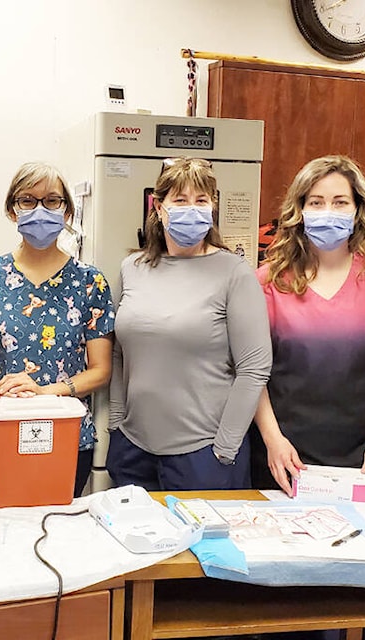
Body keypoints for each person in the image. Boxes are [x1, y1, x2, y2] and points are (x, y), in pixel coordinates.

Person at [252, 155, 365, 507]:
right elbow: (252, 374)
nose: (328, 212)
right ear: (300, 210)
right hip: (284, 451)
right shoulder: (266, 282)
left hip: (364, 453)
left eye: (340, 203)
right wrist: (272, 439)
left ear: (358, 211)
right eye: (316, 202)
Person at [107, 156, 271, 491]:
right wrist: (115, 423)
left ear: (213, 208)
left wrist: (225, 449)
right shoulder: (132, 268)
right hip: (133, 448)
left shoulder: (234, 272)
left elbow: (254, 368)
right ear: (159, 208)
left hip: (204, 455)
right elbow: (119, 352)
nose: (191, 209)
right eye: (180, 200)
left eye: (201, 200)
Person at [0, 162, 114, 497]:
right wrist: (4, 399)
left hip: (66, 436)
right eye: (28, 200)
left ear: (67, 212)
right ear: (12, 210)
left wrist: (44, 393)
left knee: (58, 529)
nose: (40, 210)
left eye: (52, 201)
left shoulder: (89, 281)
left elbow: (101, 371)